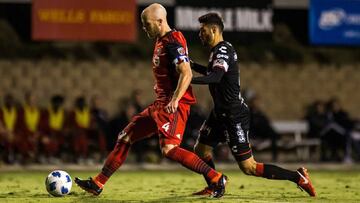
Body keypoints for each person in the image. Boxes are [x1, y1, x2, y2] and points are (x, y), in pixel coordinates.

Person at [75, 4, 227, 198]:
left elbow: (186, 72)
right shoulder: (162, 40)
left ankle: (216, 178)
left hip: (172, 105)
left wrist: (175, 100)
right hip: (160, 104)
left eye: (147, 24)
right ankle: (98, 183)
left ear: (160, 21)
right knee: (125, 136)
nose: (144, 28)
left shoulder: (172, 42)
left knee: (169, 149)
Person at [189, 13, 316, 197]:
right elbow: (212, 71)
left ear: (214, 29)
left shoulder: (223, 50)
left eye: (203, 30)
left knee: (249, 167)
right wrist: (191, 64)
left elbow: (215, 76)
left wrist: (188, 80)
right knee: (201, 149)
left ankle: (298, 177)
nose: (200, 34)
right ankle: (216, 183)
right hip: (219, 113)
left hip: (234, 115)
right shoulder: (218, 50)